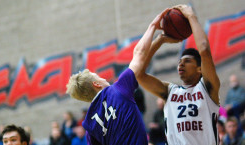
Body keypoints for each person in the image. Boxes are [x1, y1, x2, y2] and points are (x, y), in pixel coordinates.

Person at [66, 7, 172, 145]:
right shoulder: (118, 89)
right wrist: (153, 26)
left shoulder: (89, 126)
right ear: (96, 84)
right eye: (98, 77)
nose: (103, 78)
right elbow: (139, 53)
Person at [139, 4, 220, 144]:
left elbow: (205, 50)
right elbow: (139, 73)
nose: (181, 64)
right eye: (180, 62)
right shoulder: (169, 91)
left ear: (199, 69)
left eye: (187, 61)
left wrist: (191, 16)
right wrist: (160, 40)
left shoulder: (208, 88)